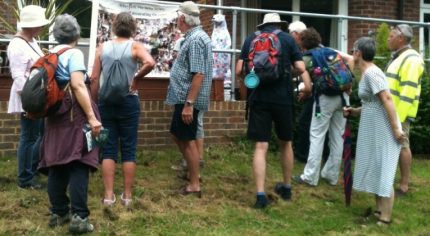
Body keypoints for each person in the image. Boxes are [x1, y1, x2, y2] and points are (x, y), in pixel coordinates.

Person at [38, 14, 101, 234]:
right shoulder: (73, 53)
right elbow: (78, 85)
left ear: (56, 34)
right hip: (73, 116)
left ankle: (58, 212)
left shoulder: (49, 54)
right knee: (79, 162)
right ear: (76, 34)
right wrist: (92, 117)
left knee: (56, 162)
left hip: (54, 117)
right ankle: (79, 217)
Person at [236, 13, 306, 208]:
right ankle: (286, 187)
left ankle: (260, 195)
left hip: (259, 97)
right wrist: (285, 72)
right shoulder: (287, 39)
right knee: (286, 143)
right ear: (280, 25)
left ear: (263, 24)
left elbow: (238, 70)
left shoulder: (252, 38)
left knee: (261, 146)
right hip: (283, 98)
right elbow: (300, 67)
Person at [91, 12, 155, 207]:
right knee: (129, 148)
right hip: (129, 101)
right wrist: (136, 79)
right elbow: (150, 63)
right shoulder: (135, 46)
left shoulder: (103, 47)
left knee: (108, 148)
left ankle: (109, 196)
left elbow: (94, 78)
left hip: (106, 101)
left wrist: (94, 103)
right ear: (132, 28)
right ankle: (127, 197)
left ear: (114, 26)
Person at [344, 37, 404, 226]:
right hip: (373, 127)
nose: (352, 53)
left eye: (353, 50)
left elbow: (386, 99)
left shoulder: (372, 73)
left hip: (384, 129)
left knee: (384, 168)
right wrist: (355, 112)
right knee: (375, 166)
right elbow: (372, 103)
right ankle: (379, 211)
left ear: (358, 53)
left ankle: (385, 219)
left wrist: (396, 129)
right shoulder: (366, 74)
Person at [293, 28, 354, 186]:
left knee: (317, 135)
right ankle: (331, 176)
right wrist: (347, 85)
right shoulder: (328, 51)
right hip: (343, 96)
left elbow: (297, 72)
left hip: (326, 99)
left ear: (302, 42)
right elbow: (350, 59)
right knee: (337, 137)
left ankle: (310, 177)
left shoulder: (306, 57)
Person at [166, 1, 212, 197]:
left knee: (188, 140)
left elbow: (199, 74)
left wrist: (189, 105)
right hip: (184, 98)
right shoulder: (195, 37)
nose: (177, 19)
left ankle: (194, 184)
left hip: (187, 100)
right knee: (178, 135)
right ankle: (194, 174)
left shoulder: (195, 40)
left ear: (183, 18)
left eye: (178, 16)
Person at [7, 5, 49, 189]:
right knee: (29, 136)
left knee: (36, 135)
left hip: (36, 96)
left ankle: (31, 172)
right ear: (31, 25)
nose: (42, 28)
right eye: (40, 25)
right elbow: (18, 77)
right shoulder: (17, 45)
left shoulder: (31, 40)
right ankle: (25, 179)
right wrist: (30, 102)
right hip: (29, 99)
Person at [385, 24, 425, 196]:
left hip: (399, 112)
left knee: (403, 145)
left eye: (390, 36)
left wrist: (398, 120)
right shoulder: (400, 57)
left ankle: (404, 185)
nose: (388, 39)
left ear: (400, 38)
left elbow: (408, 91)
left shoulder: (411, 60)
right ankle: (392, 180)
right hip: (392, 110)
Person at [288, 21, 313, 163]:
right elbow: (350, 59)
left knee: (305, 124)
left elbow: (302, 72)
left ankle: (303, 156)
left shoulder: (306, 54)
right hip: (329, 92)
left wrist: (307, 91)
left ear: (296, 35)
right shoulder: (323, 48)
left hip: (316, 95)